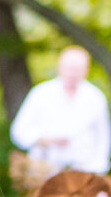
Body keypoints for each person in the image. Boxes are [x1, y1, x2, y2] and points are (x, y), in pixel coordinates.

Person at [10, 46, 110, 175]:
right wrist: (45, 140)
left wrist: (98, 168)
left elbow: (103, 137)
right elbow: (18, 131)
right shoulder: (41, 93)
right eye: (69, 68)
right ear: (60, 67)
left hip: (84, 172)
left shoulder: (95, 97)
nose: (72, 73)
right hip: (46, 170)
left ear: (86, 70)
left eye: (77, 69)